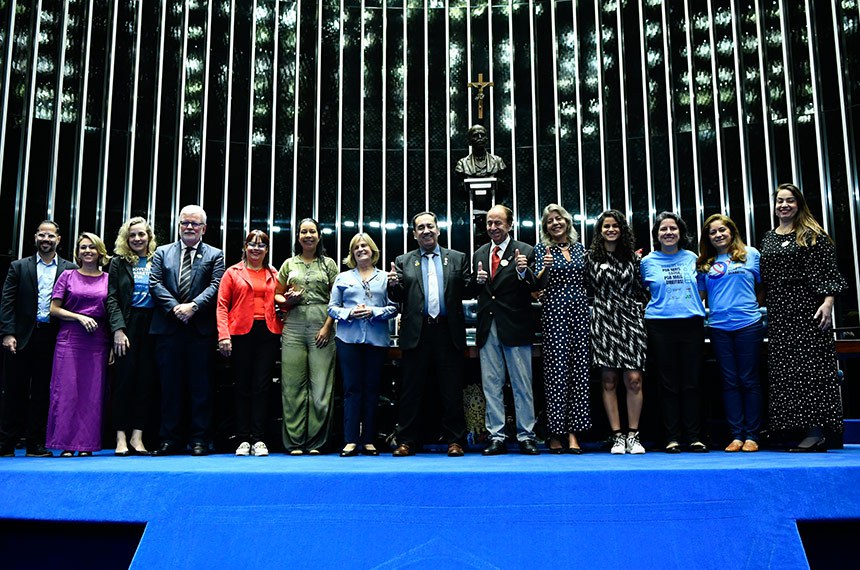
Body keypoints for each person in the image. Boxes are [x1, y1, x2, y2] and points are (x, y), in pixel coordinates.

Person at [760, 183, 847, 452]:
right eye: (780, 201)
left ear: (799, 204)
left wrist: (828, 303)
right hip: (779, 314)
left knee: (812, 371)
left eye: (790, 200)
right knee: (787, 373)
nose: (784, 205)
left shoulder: (813, 234)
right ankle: (794, 430)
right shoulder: (768, 238)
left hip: (808, 311)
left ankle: (816, 432)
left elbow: (829, 273)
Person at [387, 211, 474, 457]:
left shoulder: (457, 258)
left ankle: (455, 441)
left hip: (448, 331)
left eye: (429, 226)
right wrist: (392, 285)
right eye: (420, 228)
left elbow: (467, 290)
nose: (426, 231)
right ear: (414, 234)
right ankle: (406, 441)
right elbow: (398, 296)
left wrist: (478, 281)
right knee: (411, 390)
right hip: (417, 332)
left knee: (451, 389)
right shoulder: (404, 261)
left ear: (438, 229)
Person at [149, 205, 225, 456]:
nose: (189, 227)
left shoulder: (215, 254)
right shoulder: (162, 252)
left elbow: (216, 285)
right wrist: (175, 308)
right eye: (185, 223)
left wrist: (193, 306)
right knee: (169, 387)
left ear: (204, 228)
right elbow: (155, 283)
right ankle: (169, 439)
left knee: (201, 388)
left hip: (199, 331)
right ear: (179, 225)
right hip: (169, 329)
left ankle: (200, 440)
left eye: (194, 223)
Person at [0, 221, 77, 458]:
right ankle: (6, 443)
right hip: (20, 337)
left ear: (58, 240)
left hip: (53, 338)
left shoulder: (70, 269)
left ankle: (35, 444)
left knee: (43, 392)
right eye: (42, 235)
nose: (46, 239)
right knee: (14, 390)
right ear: (35, 237)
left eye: (50, 236)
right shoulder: (18, 266)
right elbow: (7, 302)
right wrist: (8, 333)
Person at [471, 205, 540, 456]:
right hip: (488, 326)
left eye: (498, 223)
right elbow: (476, 288)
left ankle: (526, 436)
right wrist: (476, 282)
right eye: (489, 223)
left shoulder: (526, 251)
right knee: (491, 384)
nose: (493, 227)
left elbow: (536, 284)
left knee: (522, 384)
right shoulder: (479, 252)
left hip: (516, 326)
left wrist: (522, 271)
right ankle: (496, 436)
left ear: (510, 225)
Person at [641, 212, 708, 453]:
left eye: (673, 228)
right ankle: (672, 438)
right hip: (660, 325)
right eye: (663, 229)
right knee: (667, 384)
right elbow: (643, 291)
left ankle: (694, 437)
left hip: (691, 323)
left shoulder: (693, 258)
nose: (668, 233)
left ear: (681, 233)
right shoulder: (647, 262)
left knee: (692, 382)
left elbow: (702, 289)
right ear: (656, 234)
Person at [697, 214, 764, 453]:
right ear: (708, 238)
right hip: (718, 327)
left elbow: (762, 287)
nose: (718, 235)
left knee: (749, 379)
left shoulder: (750, 254)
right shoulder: (705, 264)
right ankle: (736, 435)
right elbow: (700, 296)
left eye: (722, 230)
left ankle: (752, 436)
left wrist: (750, 307)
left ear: (732, 231)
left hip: (748, 325)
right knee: (729, 381)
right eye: (712, 232)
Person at [328, 233, 397, 457]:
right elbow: (332, 308)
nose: (361, 249)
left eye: (364, 245)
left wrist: (373, 312)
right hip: (348, 340)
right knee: (351, 389)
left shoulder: (385, 277)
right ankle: (350, 440)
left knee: (372, 390)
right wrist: (350, 313)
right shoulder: (343, 277)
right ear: (352, 253)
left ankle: (368, 440)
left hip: (376, 341)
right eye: (356, 247)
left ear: (372, 250)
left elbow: (394, 307)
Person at [586, 210, 648, 455]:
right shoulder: (590, 258)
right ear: (599, 231)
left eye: (615, 226)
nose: (611, 230)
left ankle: (634, 435)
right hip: (603, 319)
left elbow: (642, 290)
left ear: (622, 230)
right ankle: (617, 436)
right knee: (609, 380)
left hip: (630, 320)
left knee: (634, 379)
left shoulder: (633, 258)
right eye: (606, 226)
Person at [217, 230, 283, 457]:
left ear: (267, 249)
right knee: (242, 386)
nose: (256, 248)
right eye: (252, 244)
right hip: (240, 333)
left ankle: (259, 439)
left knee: (262, 386)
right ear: (245, 247)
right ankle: (243, 439)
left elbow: (281, 302)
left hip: (268, 333)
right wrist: (223, 335)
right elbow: (222, 306)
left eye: (261, 245)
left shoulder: (273, 273)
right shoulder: (232, 272)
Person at [275, 218, 338, 455]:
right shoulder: (289, 263)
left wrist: (327, 326)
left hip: (322, 327)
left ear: (319, 236)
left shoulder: (329, 264)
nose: (308, 235)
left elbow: (337, 299)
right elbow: (276, 295)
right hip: (293, 327)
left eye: (312, 231)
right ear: (298, 236)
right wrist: (287, 300)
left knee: (321, 387)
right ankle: (294, 443)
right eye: (304, 232)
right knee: (292, 387)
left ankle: (316, 443)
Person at [46, 233, 111, 457]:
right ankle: (66, 444)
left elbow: (113, 312)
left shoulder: (108, 279)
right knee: (66, 392)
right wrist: (79, 317)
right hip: (70, 339)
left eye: (92, 247)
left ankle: (87, 446)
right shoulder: (67, 275)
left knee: (92, 394)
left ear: (100, 252)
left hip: (98, 340)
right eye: (83, 247)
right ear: (78, 252)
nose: (87, 251)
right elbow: (53, 309)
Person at [534, 204, 590, 454]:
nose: (555, 223)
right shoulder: (541, 249)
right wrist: (545, 269)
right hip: (554, 313)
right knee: (556, 373)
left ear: (567, 222)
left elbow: (589, 280)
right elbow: (536, 285)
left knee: (579, 373)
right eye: (550, 221)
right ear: (545, 227)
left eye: (559, 219)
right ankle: (555, 433)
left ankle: (574, 434)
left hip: (579, 312)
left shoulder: (580, 249)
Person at [106, 217, 158, 456]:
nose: (137, 239)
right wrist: (118, 329)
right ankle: (120, 437)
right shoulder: (118, 262)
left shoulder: (158, 259)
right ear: (126, 239)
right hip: (127, 324)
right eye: (132, 235)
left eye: (141, 234)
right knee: (123, 381)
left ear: (149, 237)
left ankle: (138, 437)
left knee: (146, 381)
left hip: (153, 326)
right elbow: (112, 298)